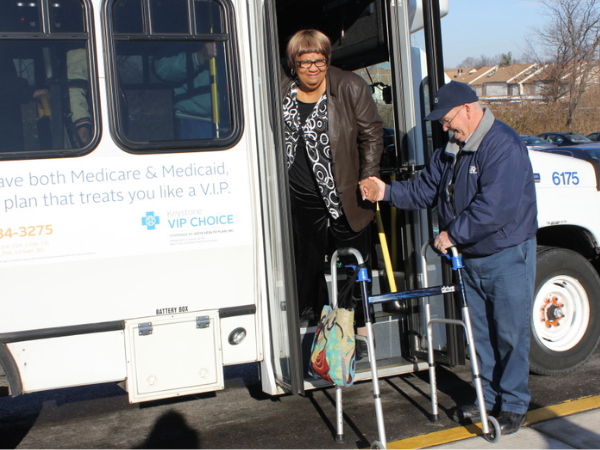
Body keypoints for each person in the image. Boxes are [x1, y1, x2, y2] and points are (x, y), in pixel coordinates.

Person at [364, 81, 537, 435]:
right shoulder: (452, 148)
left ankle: (515, 404)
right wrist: (386, 191)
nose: (445, 128)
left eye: (447, 120)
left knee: (509, 332)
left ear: (469, 110)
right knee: (480, 334)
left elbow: (495, 208)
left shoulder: (502, 144)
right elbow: (425, 190)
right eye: (442, 123)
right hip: (469, 259)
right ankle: (486, 397)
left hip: (504, 255)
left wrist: (452, 234)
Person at [281, 29, 383, 359]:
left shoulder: (350, 86)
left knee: (353, 265)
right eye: (304, 61)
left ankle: (360, 334)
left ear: (328, 59)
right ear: (293, 63)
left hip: (344, 193)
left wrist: (369, 177)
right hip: (301, 196)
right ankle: (315, 332)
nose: (312, 67)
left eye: (319, 60)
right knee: (306, 266)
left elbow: (372, 135)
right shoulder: (282, 90)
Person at [153, 42, 217, 140]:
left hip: (240, 117)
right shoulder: (181, 30)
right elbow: (162, 67)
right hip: (195, 120)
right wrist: (199, 56)